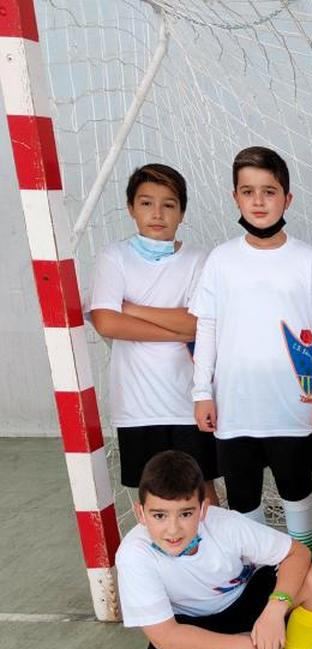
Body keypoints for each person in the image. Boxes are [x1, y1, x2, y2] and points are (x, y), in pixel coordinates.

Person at [116, 450, 312, 649]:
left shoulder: (226, 524)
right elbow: (165, 637)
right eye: (159, 515)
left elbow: (298, 554)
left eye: (185, 514)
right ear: (141, 513)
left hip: (243, 600)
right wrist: (244, 645)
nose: (173, 529)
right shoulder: (133, 554)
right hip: (190, 622)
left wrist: (274, 610)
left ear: (204, 508)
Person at [190, 146, 312, 551]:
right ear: (235, 197)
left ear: (287, 199)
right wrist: (202, 392)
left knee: (296, 491)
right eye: (248, 191)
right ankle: (258, 575)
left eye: (269, 191)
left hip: (294, 409)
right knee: (243, 498)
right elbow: (207, 328)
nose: (258, 201)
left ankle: (302, 564)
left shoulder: (308, 260)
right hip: (235, 409)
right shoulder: (221, 260)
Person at [86, 164, 217, 504]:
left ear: (182, 212)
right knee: (153, 497)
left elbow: (197, 325)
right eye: (146, 203)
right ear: (131, 208)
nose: (157, 213)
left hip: (190, 401)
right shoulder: (113, 257)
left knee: (202, 492)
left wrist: (130, 308)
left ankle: (219, 558)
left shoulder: (199, 260)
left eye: (169, 204)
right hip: (137, 404)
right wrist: (178, 327)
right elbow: (106, 323)